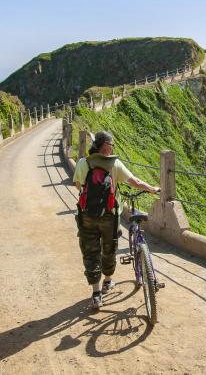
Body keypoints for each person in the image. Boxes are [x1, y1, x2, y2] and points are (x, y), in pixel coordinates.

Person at [73, 130, 159, 308]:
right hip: (110, 215)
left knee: (90, 252)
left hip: (87, 214)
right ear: (107, 147)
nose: (111, 149)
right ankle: (107, 281)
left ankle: (96, 294)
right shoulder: (114, 164)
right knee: (109, 248)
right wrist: (151, 189)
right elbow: (135, 182)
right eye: (110, 146)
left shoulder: (83, 162)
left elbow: (78, 185)